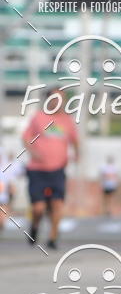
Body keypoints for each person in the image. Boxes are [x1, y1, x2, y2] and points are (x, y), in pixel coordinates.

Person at [22, 87, 78, 249]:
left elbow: (75, 140)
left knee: (57, 204)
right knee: (38, 208)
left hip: (58, 170)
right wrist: (33, 152)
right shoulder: (38, 117)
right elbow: (26, 138)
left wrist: (77, 154)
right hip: (37, 169)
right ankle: (34, 227)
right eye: (55, 98)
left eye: (62, 99)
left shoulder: (67, 120)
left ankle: (53, 237)